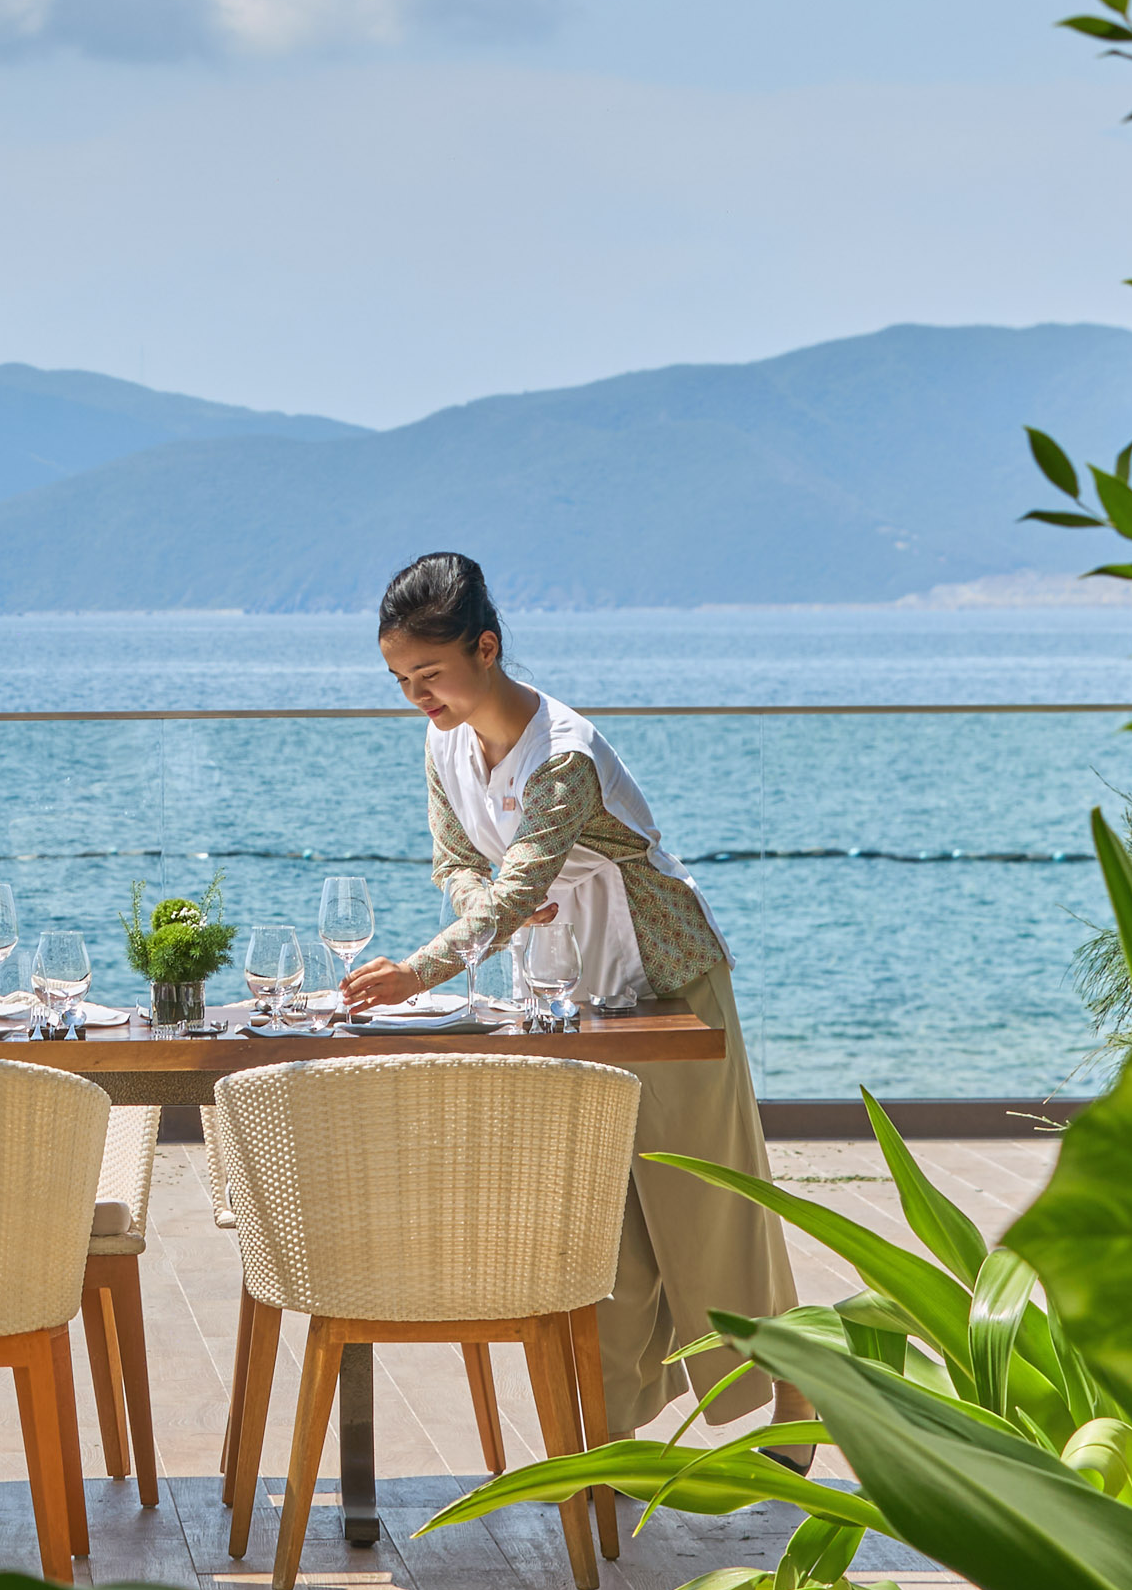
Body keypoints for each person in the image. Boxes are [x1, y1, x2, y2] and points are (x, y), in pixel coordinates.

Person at [338, 552, 802, 1441]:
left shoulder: (565, 755)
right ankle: (612, 1425)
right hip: (554, 986)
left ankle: (793, 1390)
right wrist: (491, 909)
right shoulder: (441, 744)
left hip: (666, 980)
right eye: (400, 679)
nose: (416, 697)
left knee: (708, 1206)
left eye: (428, 676)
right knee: (592, 1214)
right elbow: (463, 867)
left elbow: (513, 892)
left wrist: (417, 972)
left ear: (487, 646)